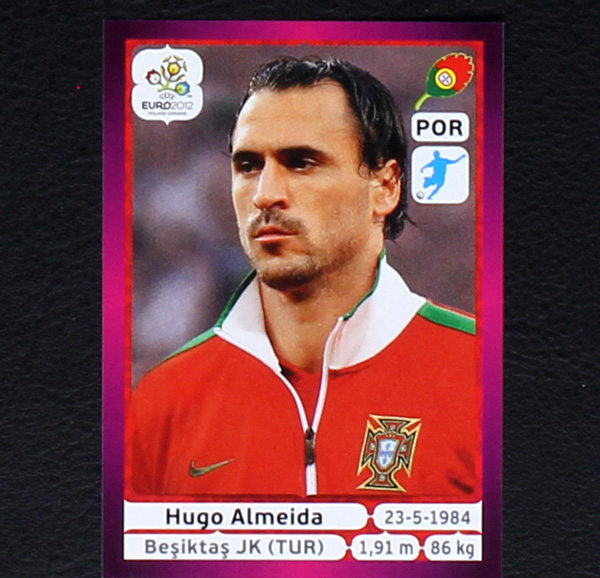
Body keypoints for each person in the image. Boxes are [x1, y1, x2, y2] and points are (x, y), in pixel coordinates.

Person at [126, 57, 480, 500]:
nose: (265, 194)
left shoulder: (480, 374)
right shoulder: (166, 397)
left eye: (302, 163)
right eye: (248, 165)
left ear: (386, 187)